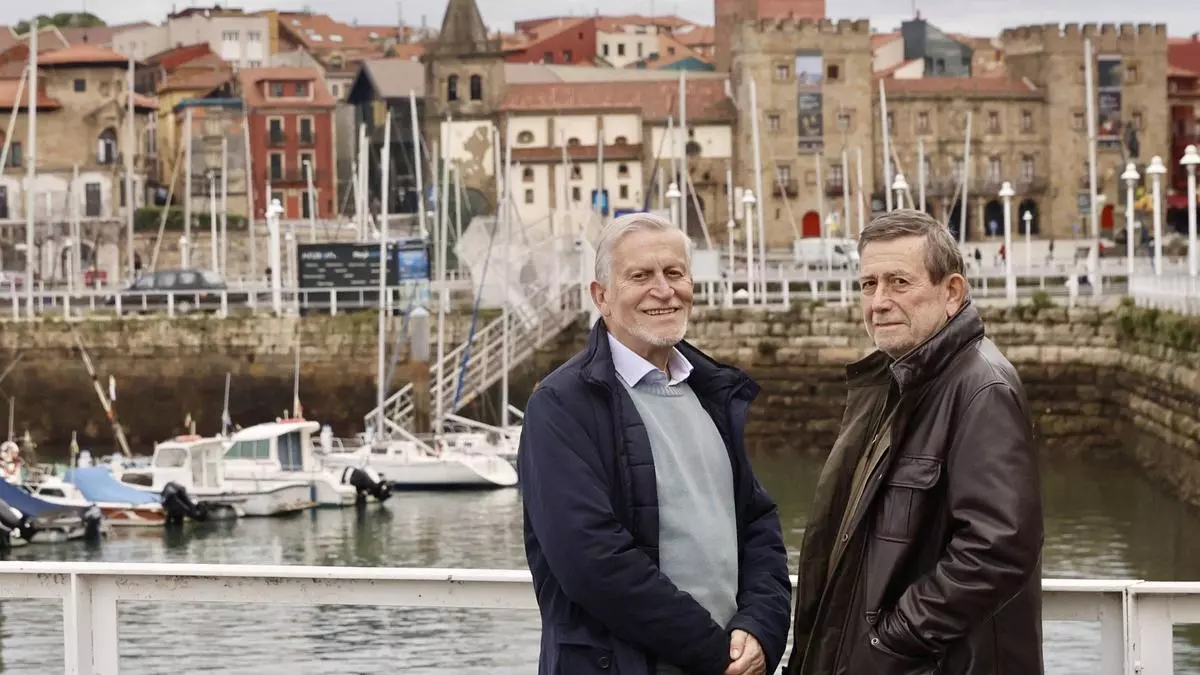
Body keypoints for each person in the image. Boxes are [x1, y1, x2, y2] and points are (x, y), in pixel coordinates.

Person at [518, 212, 792, 675]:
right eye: (640, 276)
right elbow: (593, 562)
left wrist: (760, 628)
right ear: (601, 296)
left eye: (674, 273)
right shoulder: (561, 406)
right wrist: (716, 654)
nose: (663, 291)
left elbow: (758, 524)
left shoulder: (710, 392)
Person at [787, 210, 1044, 675]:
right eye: (868, 285)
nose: (879, 302)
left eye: (899, 283)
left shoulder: (981, 388)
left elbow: (997, 548)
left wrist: (887, 645)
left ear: (952, 292)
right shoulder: (896, 381)